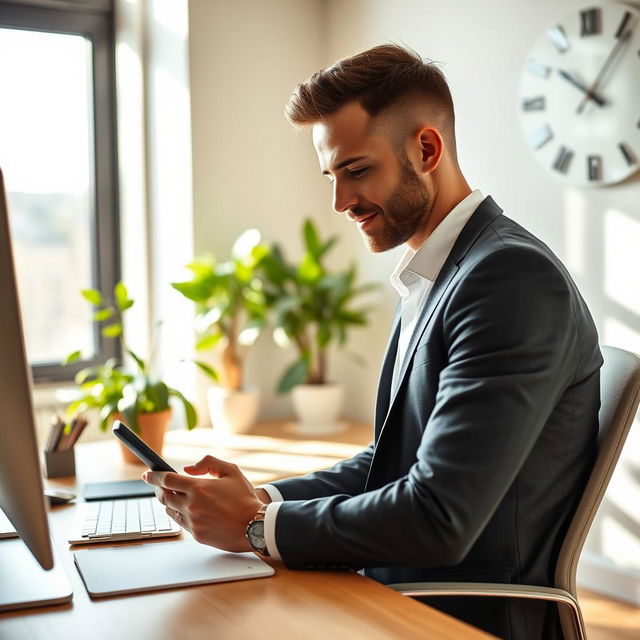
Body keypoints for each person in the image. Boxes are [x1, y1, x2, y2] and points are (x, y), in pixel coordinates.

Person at [144, 44, 602, 640]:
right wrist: (260, 496)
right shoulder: (443, 272)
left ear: (427, 149)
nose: (339, 203)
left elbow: (439, 516)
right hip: (397, 591)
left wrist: (258, 527)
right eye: (332, 176)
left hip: (457, 617)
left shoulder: (508, 280)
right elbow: (389, 463)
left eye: (357, 171)